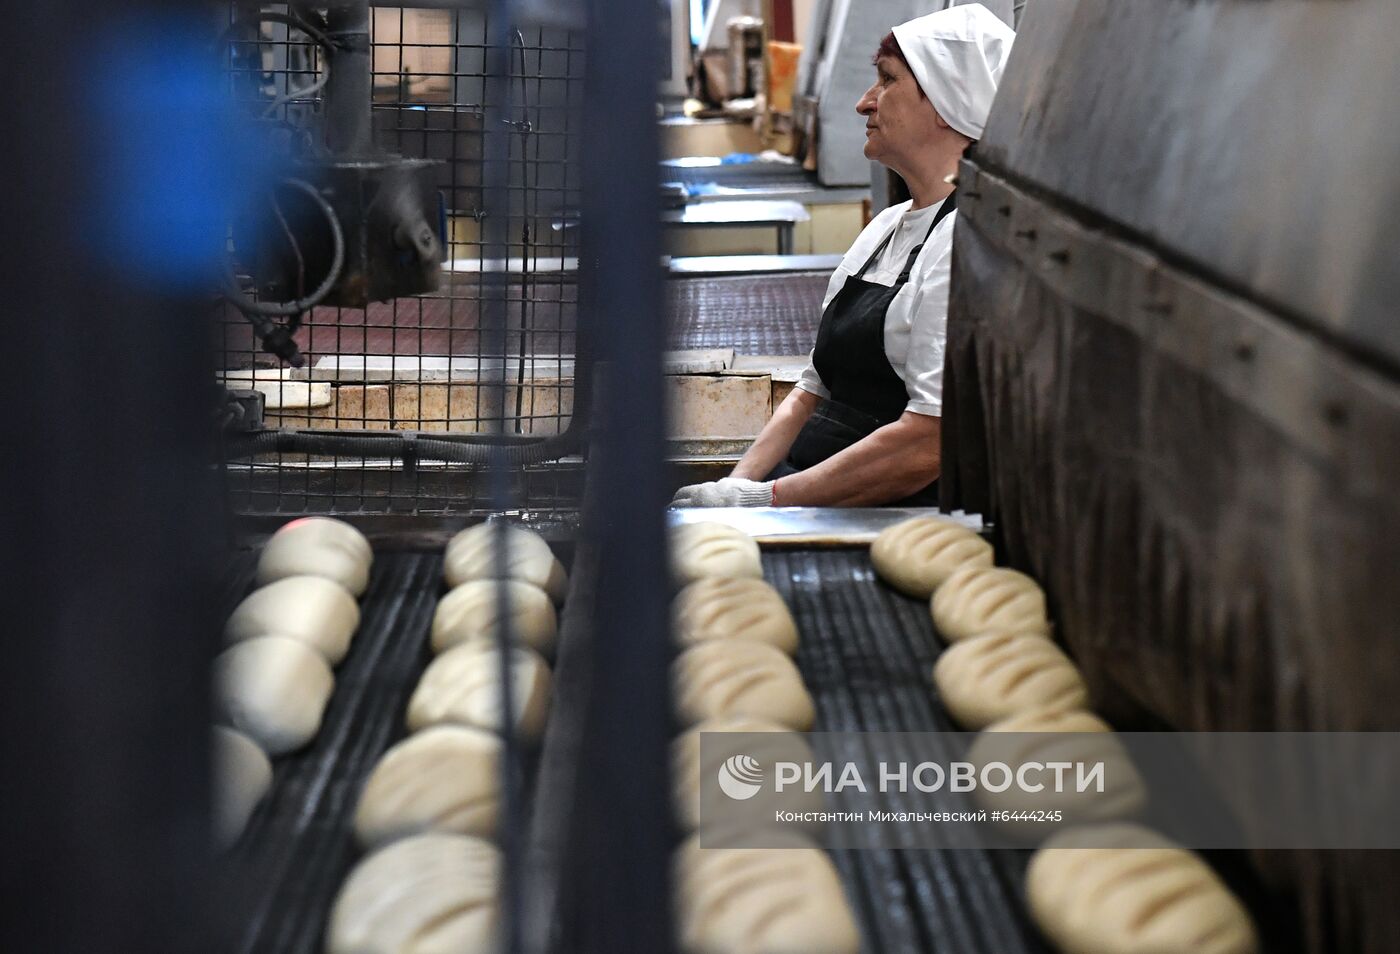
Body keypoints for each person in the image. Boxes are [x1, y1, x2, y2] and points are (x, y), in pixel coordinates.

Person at [672, 4, 1014, 508]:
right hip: (806, 496)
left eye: (886, 80)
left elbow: (927, 442)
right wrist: (734, 488)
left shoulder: (966, 243)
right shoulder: (884, 228)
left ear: (947, 102)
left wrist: (764, 501)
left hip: (894, 515)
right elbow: (813, 391)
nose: (863, 103)